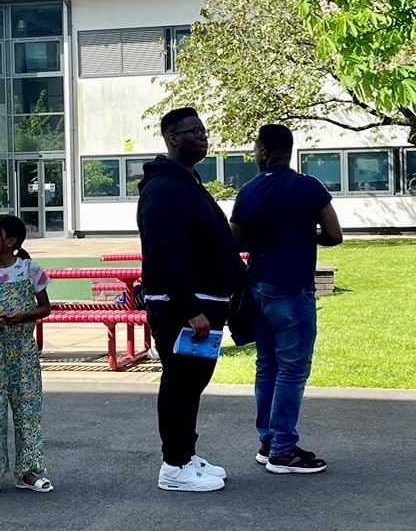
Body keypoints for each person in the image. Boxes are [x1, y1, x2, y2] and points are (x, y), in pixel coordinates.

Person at [137, 106, 246, 492]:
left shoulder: (188, 182)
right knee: (180, 384)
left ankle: (186, 453)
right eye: (194, 132)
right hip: (183, 308)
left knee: (193, 383)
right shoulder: (164, 188)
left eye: (204, 131)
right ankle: (174, 466)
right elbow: (166, 253)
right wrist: (191, 309)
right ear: (172, 139)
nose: (203, 137)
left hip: (204, 302)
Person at [230, 124, 342, 474]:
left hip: (259, 287)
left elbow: (235, 242)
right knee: (293, 370)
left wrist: (264, 240)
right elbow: (335, 235)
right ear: (289, 150)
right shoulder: (310, 187)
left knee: (267, 367)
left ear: (263, 152)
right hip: (293, 290)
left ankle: (268, 441)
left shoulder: (247, 192)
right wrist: (305, 237)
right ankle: (283, 450)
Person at [0, 213, 53, 498]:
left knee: (27, 411)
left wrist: (24, 315)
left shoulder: (29, 270)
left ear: (10, 241)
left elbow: (45, 308)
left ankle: (28, 471)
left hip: (23, 353)